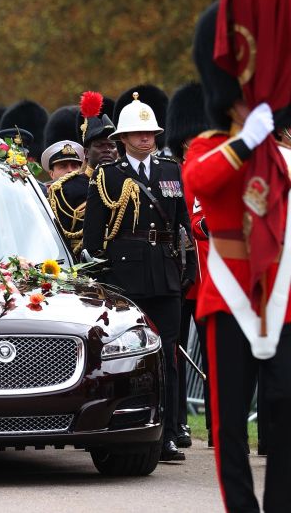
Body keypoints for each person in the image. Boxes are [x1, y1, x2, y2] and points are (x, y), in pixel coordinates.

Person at [183, 1, 291, 512]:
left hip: (281, 296)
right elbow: (200, 181)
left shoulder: (283, 155)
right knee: (228, 423)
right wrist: (246, 144)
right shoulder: (208, 146)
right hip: (229, 299)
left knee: (284, 405)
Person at [83, 91, 194, 462]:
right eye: (138, 133)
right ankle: (130, 427)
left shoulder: (170, 170)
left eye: (150, 133)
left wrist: (187, 270)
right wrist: (103, 280)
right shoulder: (108, 176)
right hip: (126, 275)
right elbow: (93, 239)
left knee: (168, 355)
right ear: (124, 138)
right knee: (130, 357)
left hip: (165, 273)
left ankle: (170, 433)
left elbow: (182, 226)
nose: (146, 138)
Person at [166, 81, 211, 450]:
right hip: (180, 276)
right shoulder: (172, 174)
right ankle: (178, 422)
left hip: (207, 276)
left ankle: (217, 424)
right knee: (176, 353)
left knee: (215, 356)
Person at [42, 140, 86, 254]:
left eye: (75, 166)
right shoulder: (43, 199)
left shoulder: (91, 190)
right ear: (51, 174)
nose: (70, 170)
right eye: (63, 166)